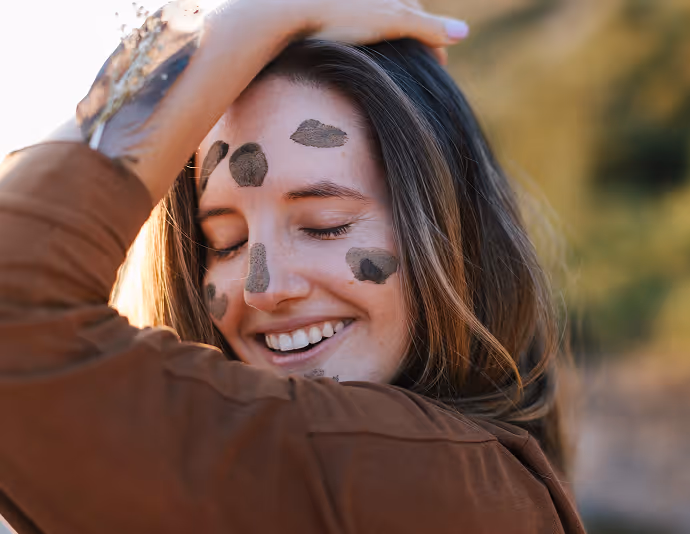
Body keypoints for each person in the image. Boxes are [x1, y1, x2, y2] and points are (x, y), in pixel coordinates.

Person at [0, 1, 585, 532]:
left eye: (325, 224)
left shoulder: (430, 483)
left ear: (453, 231)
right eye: (224, 243)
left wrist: (238, 28)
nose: (265, 287)